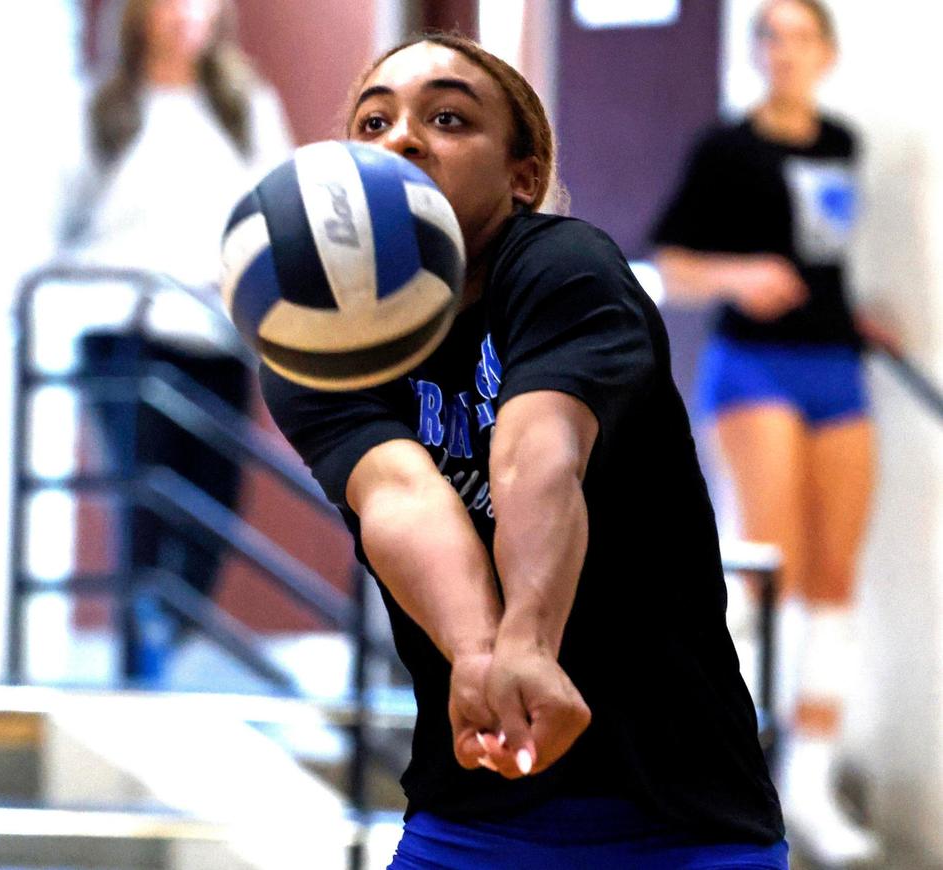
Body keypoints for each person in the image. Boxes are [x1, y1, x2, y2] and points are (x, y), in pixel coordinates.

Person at [262, 33, 787, 869]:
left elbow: (537, 453)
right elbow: (401, 495)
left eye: (447, 117)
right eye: (373, 121)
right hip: (470, 817)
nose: (401, 138)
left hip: (685, 820)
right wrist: (481, 654)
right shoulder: (317, 331)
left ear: (523, 177)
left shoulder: (566, 266)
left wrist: (528, 647)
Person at [651, 0, 883, 864]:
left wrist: (860, 315)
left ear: (826, 53)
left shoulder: (840, 144)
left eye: (798, 37)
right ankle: (736, 774)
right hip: (754, 371)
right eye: (768, 36)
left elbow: (822, 253)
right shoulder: (725, 147)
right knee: (771, 565)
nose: (782, 51)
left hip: (837, 365)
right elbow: (671, 267)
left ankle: (812, 787)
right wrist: (740, 273)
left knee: (834, 574)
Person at [56, 0, 293, 676]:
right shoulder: (100, 107)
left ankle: (170, 635)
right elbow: (44, 217)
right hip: (122, 333)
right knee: (145, 500)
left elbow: (283, 211)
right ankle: (140, 664)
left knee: (212, 513)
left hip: (218, 336)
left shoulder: (246, 104)